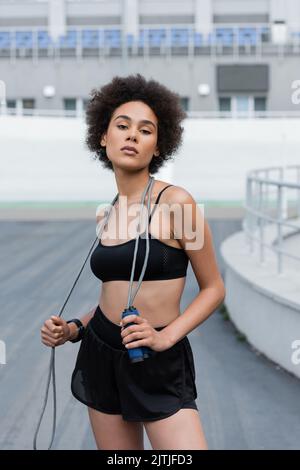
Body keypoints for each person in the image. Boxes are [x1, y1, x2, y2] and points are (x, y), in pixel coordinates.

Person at [40, 73, 225, 450]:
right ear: (103, 137)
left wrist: (165, 337)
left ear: (158, 146)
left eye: (145, 130)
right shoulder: (105, 213)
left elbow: (214, 289)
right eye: (122, 126)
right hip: (100, 352)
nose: (132, 136)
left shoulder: (177, 204)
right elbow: (114, 293)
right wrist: (75, 328)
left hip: (156, 357)